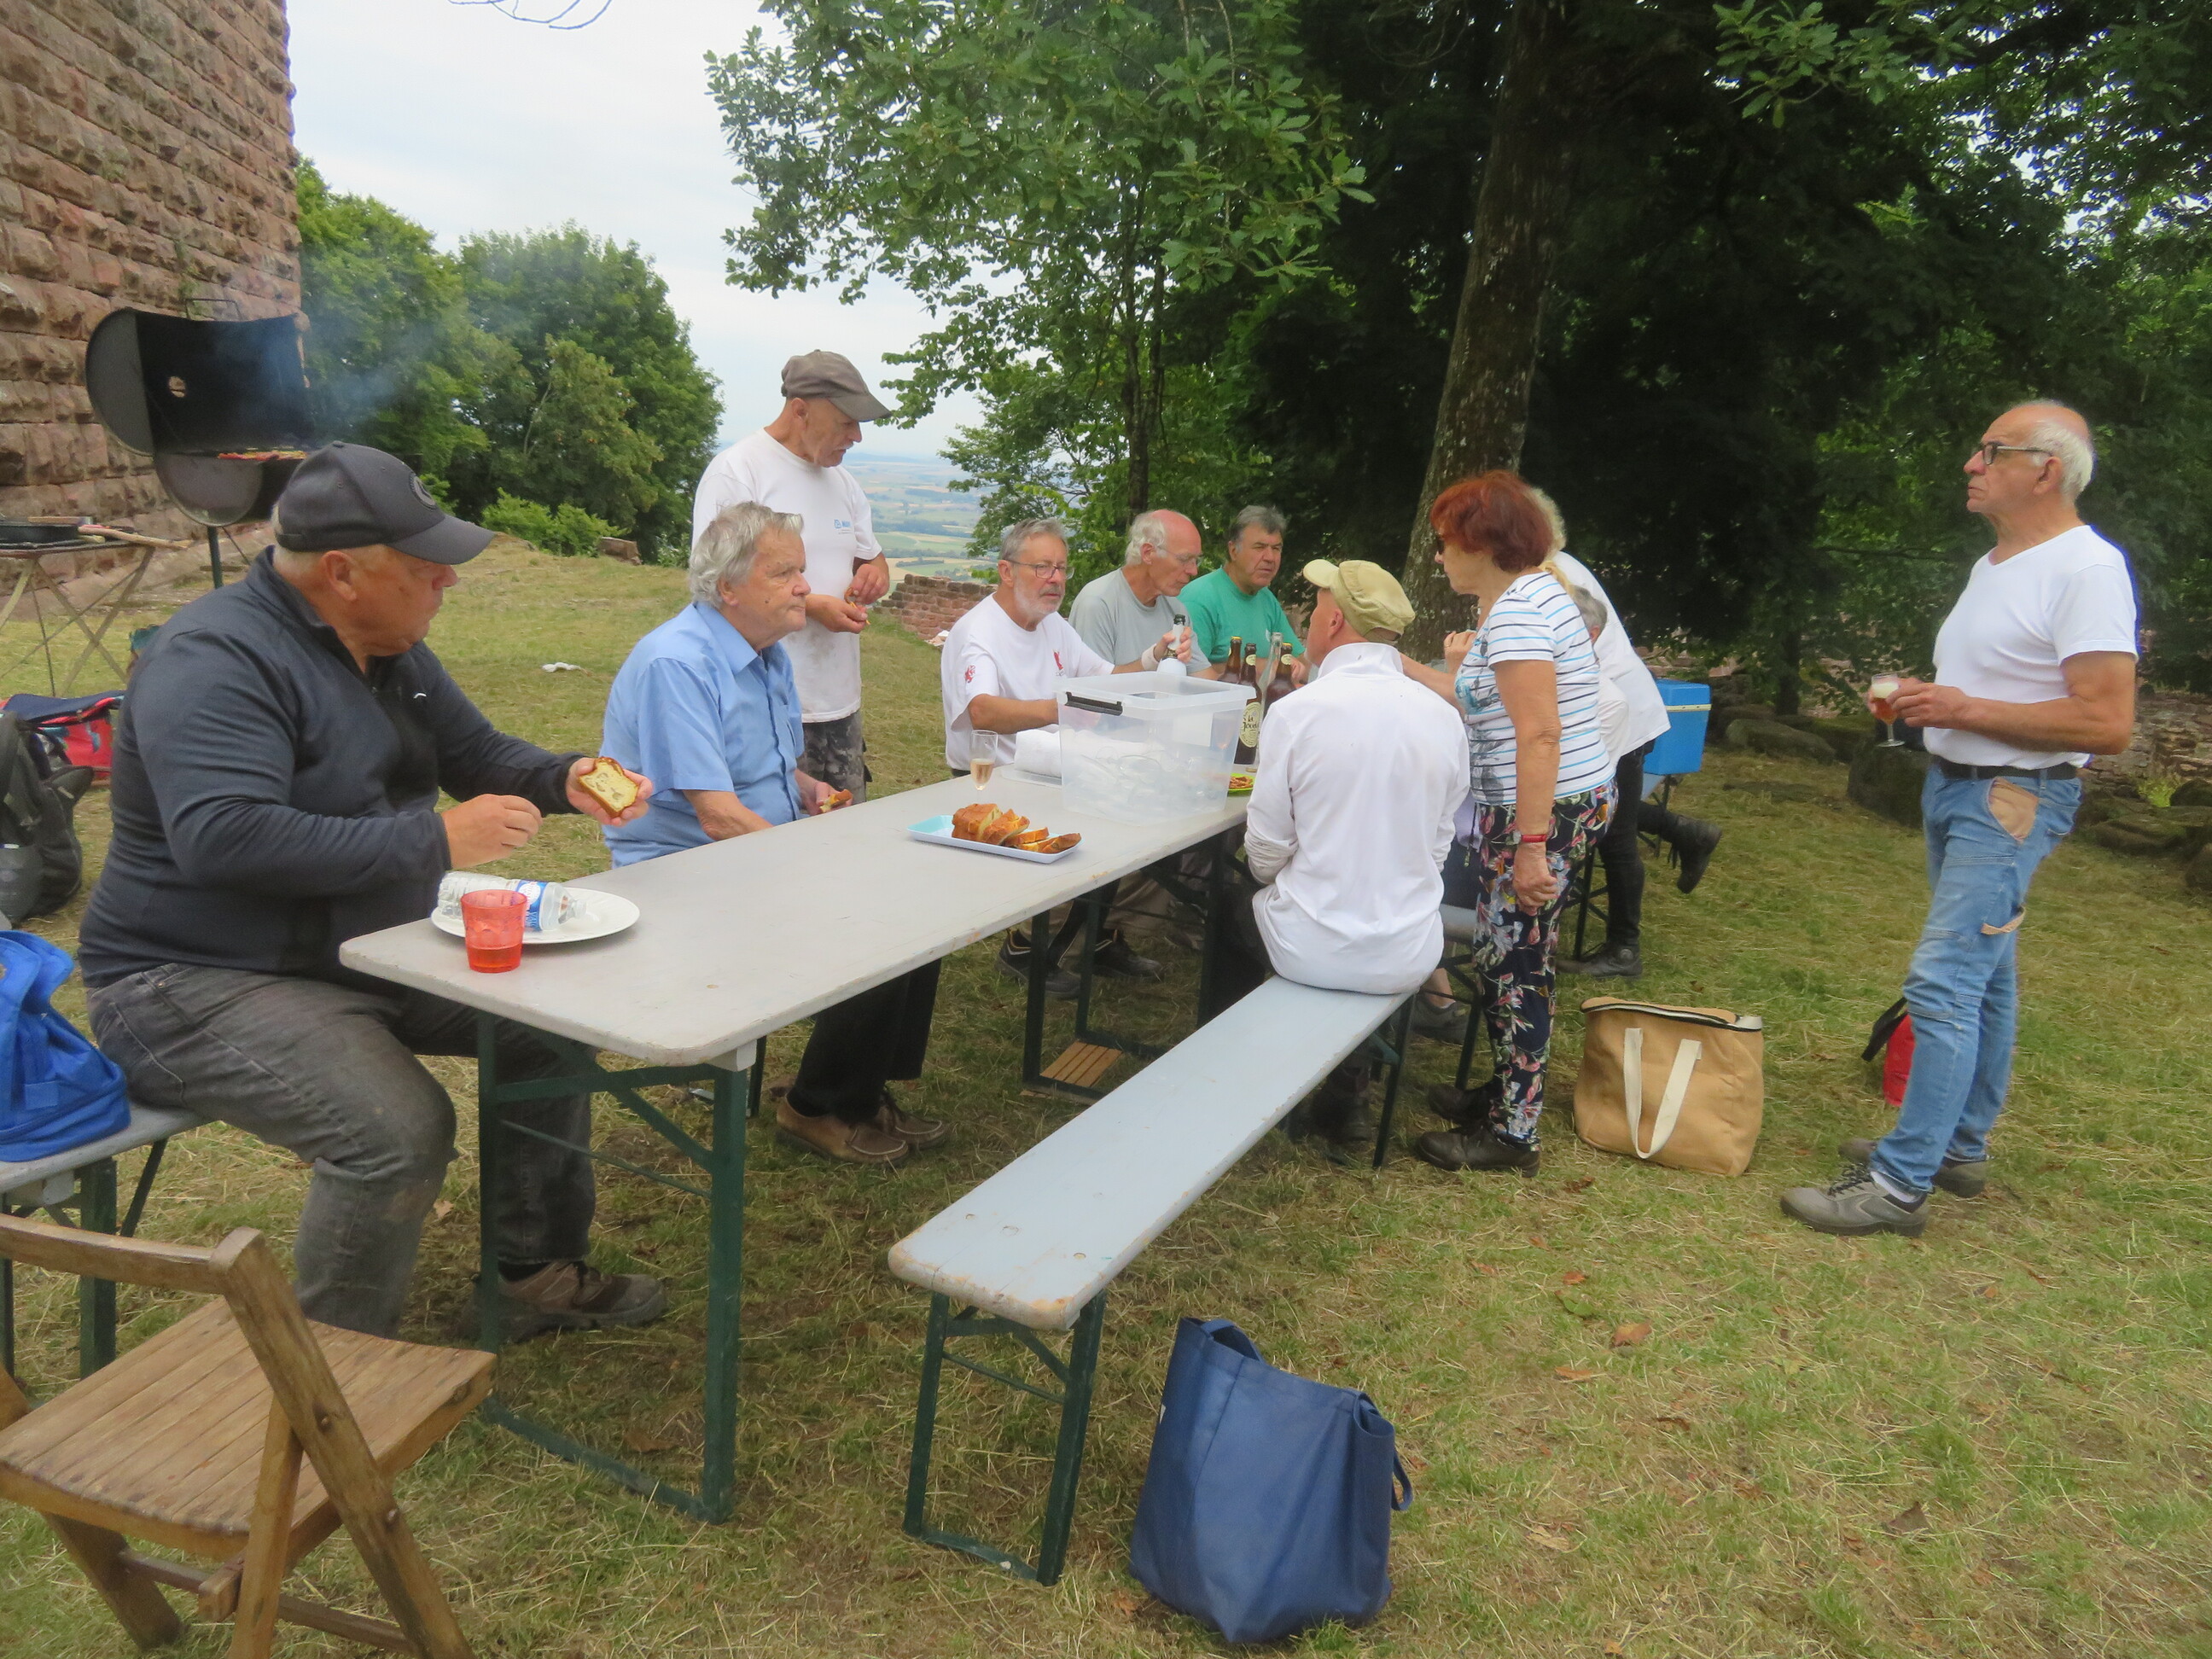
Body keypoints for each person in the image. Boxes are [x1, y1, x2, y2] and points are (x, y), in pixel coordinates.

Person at [79, 443, 661, 1340]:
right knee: (394, 1131)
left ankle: (532, 1275)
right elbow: (223, 838)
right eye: (427, 569)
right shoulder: (213, 658)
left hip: (356, 948)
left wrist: (563, 776)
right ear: (343, 573)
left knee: (548, 1026)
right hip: (189, 979)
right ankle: (334, 1378)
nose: (447, 583)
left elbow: (476, 753)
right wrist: (435, 839)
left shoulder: (388, 649)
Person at [1782, 402, 2137, 1237]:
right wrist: (1931, 704)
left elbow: (2107, 722)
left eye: (1991, 451)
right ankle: (1958, 1145)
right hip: (1958, 787)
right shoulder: (1999, 562)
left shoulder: (2088, 569)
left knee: (1943, 983)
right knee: (1988, 976)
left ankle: (1898, 1187)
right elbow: (2002, 687)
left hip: (2012, 800)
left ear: (2046, 469)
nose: (1971, 465)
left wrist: (1963, 708)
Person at [601, 502, 945, 1167]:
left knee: (921, 903)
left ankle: (859, 1085)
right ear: (728, 587)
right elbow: (715, 814)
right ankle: (817, 1106)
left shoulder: (766, 651)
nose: (803, 587)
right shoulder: (678, 662)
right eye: (784, 573)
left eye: (801, 571)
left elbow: (767, 766)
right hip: (684, 876)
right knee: (879, 919)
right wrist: (816, 864)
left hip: (749, 859)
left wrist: (808, 790)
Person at [1401, 470, 1617, 1176]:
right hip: (1554, 803)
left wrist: (1530, 849)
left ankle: (1512, 1136)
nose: (1439, 555)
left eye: (1446, 541)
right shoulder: (1526, 598)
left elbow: (1540, 735)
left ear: (1483, 542)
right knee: (1505, 958)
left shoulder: (1521, 614)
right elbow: (1480, 702)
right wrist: (1396, 665)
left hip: (1543, 812)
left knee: (1516, 965)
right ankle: (1503, 1097)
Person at [1216, 558, 1467, 1157]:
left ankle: (1233, 1075)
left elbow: (1265, 851)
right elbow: (1438, 847)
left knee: (1229, 906)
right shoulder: (1444, 718)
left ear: (1332, 622)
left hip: (1313, 947)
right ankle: (1347, 1095)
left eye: (1314, 609)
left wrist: (1297, 875)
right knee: (1348, 925)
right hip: (1408, 950)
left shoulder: (1297, 712)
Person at [941, 517, 1191, 993]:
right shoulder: (978, 632)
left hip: (1053, 769)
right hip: (995, 782)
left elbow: (1105, 679)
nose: (1055, 579)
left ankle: (1094, 936)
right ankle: (1031, 947)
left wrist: (1154, 658)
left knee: (1148, 818)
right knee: (1110, 827)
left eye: (1061, 568)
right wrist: (1060, 708)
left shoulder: (1052, 625)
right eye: (1042, 568)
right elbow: (982, 711)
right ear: (1006, 571)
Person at [690, 350, 894, 801]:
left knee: (845, 829)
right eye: (846, 422)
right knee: (779, 830)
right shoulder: (737, 473)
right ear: (801, 410)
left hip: (840, 701)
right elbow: (716, 587)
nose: (857, 436)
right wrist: (813, 606)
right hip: (765, 702)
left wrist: (874, 575)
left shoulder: (843, 482)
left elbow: (871, 557)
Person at [1535, 505, 1723, 981]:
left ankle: (1624, 950)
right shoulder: (1552, 566)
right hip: (1609, 703)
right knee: (1609, 810)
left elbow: (1569, 652)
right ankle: (1685, 830)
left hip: (1613, 709)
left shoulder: (1555, 574)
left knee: (1614, 834)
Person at [1179, 505, 1307, 682]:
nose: (1270, 557)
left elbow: (1302, 663)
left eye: (1276, 548)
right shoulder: (1199, 599)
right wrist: (1256, 665)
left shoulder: (1266, 598)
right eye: (1259, 547)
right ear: (1233, 551)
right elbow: (1189, 673)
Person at [1068, 508, 1208, 667]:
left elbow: (1201, 675)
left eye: (1196, 560)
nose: (1193, 571)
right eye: (1184, 559)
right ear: (1148, 553)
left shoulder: (1177, 610)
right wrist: (1153, 659)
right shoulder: (1097, 604)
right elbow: (1095, 681)